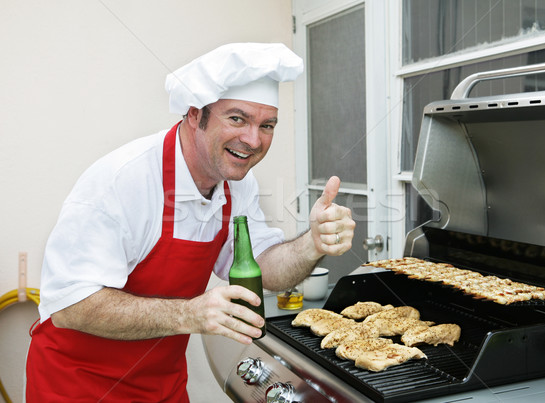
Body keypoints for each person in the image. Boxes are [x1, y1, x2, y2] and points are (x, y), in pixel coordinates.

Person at [25, 42, 355, 402]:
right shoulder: (123, 180)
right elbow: (71, 307)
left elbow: (264, 268)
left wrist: (312, 245)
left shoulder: (236, 186)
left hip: (161, 383)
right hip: (78, 385)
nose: (253, 139)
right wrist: (189, 313)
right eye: (237, 118)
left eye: (267, 125)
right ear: (195, 114)